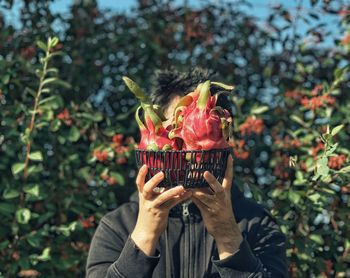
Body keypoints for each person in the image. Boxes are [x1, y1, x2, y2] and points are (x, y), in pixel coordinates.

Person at [86, 69, 288, 277]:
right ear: (155, 129)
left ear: (225, 138)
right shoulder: (117, 226)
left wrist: (228, 236)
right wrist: (144, 236)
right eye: (176, 130)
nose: (189, 152)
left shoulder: (257, 224)